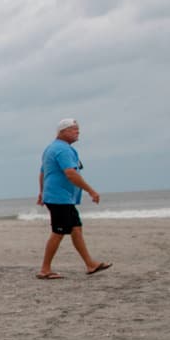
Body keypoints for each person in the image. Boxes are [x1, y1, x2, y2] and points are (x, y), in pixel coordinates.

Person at [36, 119, 111, 279]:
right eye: (73, 129)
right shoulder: (62, 150)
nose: (77, 132)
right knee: (58, 232)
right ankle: (45, 269)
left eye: (78, 129)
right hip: (59, 197)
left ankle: (90, 264)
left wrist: (41, 192)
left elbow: (43, 172)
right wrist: (90, 190)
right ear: (62, 132)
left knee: (76, 228)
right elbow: (70, 173)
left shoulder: (51, 148)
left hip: (59, 196)